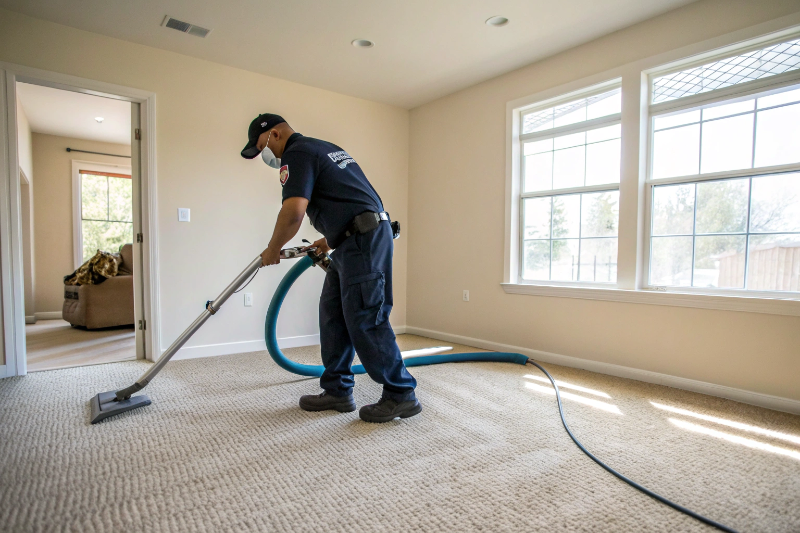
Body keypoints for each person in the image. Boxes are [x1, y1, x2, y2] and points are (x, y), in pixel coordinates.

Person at [241, 114, 420, 423]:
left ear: (275, 134)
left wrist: (273, 248)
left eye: (262, 147)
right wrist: (327, 241)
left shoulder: (296, 153)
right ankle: (338, 390)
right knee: (333, 314)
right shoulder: (322, 148)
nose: (265, 157)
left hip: (362, 242)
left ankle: (401, 394)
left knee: (366, 316)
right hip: (352, 240)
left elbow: (294, 211)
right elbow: (350, 199)